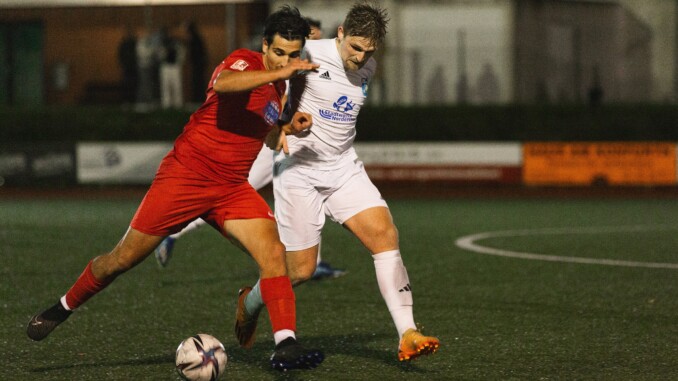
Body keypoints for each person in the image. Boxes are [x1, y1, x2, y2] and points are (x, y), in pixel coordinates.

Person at [27, 6, 324, 372]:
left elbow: (265, 134)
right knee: (120, 260)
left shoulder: (281, 85)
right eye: (279, 52)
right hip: (185, 176)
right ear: (265, 45)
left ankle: (285, 345)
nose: (287, 60)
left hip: (230, 188)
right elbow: (223, 84)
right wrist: (282, 71)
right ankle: (63, 306)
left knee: (274, 253)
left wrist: (287, 127)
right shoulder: (245, 62)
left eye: (294, 55)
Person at [235, 2, 440, 362]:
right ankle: (249, 302)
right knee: (300, 270)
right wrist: (281, 122)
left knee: (385, 235)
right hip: (299, 169)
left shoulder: (368, 67)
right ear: (341, 34)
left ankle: (407, 332)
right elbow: (270, 80)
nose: (360, 58)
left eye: (368, 51)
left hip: (343, 168)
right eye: (355, 48)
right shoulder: (309, 52)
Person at [154, 15, 347, 280]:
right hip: (270, 146)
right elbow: (245, 93)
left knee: (310, 194)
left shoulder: (305, 67)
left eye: (313, 36)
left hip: (288, 142)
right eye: (310, 36)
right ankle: (174, 232)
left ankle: (314, 262)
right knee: (229, 198)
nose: (311, 42)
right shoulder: (283, 68)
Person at [159, 26, 186, 109]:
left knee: (176, 86)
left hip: (174, 66)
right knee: (166, 87)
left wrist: (179, 62)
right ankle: (166, 105)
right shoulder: (163, 43)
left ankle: (178, 104)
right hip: (166, 66)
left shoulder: (176, 43)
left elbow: (182, 53)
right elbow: (160, 55)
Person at [185, 21, 208, 104]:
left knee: (198, 82)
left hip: (198, 65)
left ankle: (198, 99)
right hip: (198, 65)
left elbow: (197, 53)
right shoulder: (196, 38)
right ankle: (198, 99)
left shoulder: (195, 39)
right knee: (198, 82)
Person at [118, 26, 138, 104]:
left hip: (134, 67)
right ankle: (126, 101)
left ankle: (133, 100)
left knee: (134, 84)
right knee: (126, 85)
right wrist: (123, 64)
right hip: (127, 68)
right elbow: (120, 55)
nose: (130, 34)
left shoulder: (135, 43)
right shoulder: (124, 44)